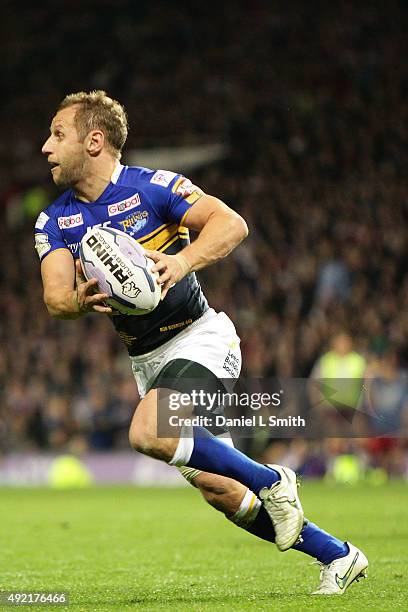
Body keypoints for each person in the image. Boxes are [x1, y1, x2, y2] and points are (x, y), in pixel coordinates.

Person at [36, 90, 368, 595]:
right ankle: (339, 555)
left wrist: (183, 261)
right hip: (146, 360)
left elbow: (231, 224)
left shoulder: (152, 188)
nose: (46, 146)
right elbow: (56, 297)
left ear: (95, 141)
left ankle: (275, 480)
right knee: (222, 490)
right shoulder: (54, 220)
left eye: (58, 134)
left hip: (200, 337)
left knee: (148, 432)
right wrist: (79, 299)